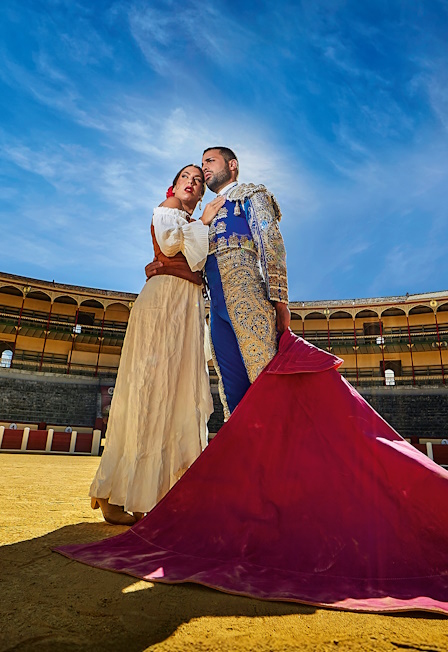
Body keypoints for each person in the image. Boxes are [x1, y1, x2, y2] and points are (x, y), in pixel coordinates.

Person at [89, 165, 225, 525]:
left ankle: (153, 494)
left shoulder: (189, 219)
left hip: (187, 304)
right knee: (150, 393)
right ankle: (116, 493)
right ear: (175, 185)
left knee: (176, 394)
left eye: (198, 181)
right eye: (187, 177)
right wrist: (206, 221)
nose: (193, 183)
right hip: (164, 300)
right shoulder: (165, 212)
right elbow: (173, 246)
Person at [147, 147, 291, 419]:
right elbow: (181, 249)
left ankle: (281, 454)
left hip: (247, 292)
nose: (205, 168)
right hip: (214, 305)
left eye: (210, 161)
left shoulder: (251, 195)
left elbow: (271, 243)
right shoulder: (201, 216)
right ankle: (244, 455)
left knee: (264, 374)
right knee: (231, 389)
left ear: (232, 165)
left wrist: (280, 301)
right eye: (203, 163)